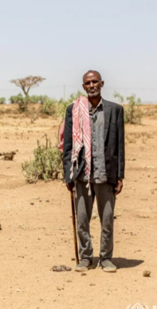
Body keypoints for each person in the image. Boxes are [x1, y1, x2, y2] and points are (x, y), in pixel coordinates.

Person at [62, 70, 125, 273]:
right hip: (82, 176)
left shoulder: (115, 110)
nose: (91, 85)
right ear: (83, 86)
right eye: (88, 83)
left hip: (106, 175)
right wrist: (67, 175)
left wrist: (120, 176)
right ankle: (86, 257)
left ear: (102, 83)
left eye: (95, 81)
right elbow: (68, 146)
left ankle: (106, 258)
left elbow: (120, 146)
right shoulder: (74, 110)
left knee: (107, 220)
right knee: (82, 220)